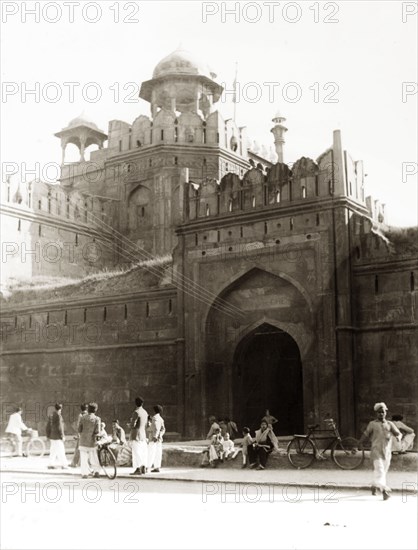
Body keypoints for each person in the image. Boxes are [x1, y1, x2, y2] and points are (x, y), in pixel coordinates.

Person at [357, 402, 402, 500]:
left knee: (382, 472)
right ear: (376, 413)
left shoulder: (390, 424)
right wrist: (359, 443)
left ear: (386, 412)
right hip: (375, 451)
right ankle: (384, 492)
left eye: (383, 412)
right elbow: (366, 434)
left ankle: (374, 486)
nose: (381, 414)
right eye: (378, 412)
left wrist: (398, 437)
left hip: (386, 452)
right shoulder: (372, 424)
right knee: (380, 471)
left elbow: (398, 433)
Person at [78, 402, 101, 479]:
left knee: (84, 459)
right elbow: (97, 431)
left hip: (83, 441)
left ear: (88, 409)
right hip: (92, 441)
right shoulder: (97, 419)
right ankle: (96, 471)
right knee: (94, 457)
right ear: (96, 410)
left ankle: (85, 474)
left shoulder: (82, 417)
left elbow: (79, 429)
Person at [129, 396, 148, 475]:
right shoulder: (145, 412)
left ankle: (138, 468)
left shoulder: (136, 412)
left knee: (136, 452)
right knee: (143, 452)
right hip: (143, 434)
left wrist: (129, 424)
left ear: (135, 403)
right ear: (142, 403)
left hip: (136, 434)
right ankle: (144, 467)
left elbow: (133, 425)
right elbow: (146, 424)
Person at [46, 403, 68, 469]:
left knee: (53, 450)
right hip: (58, 436)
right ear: (61, 408)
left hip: (52, 436)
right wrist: (62, 435)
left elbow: (48, 426)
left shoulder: (51, 415)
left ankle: (50, 464)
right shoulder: (59, 415)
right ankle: (64, 465)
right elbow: (60, 427)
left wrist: (48, 435)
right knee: (61, 450)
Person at [147, 405, 166, 473]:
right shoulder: (161, 419)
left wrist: (155, 436)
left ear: (154, 410)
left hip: (153, 438)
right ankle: (157, 467)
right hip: (159, 439)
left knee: (151, 453)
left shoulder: (155, 418)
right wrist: (160, 435)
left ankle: (147, 467)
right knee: (158, 453)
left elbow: (156, 428)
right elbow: (163, 429)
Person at [70, 403, 87, 468]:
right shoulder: (88, 415)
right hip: (86, 435)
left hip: (81, 434)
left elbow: (78, 426)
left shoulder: (80, 415)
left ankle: (75, 463)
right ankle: (80, 463)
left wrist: (78, 434)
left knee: (78, 449)